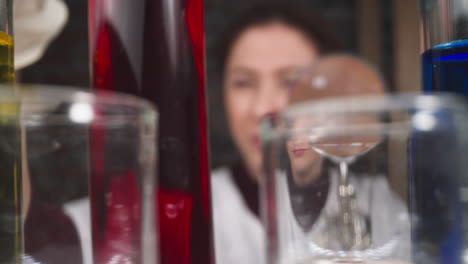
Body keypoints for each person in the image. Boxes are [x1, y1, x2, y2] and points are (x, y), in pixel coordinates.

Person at [210, 2, 409, 264]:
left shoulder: (380, 206)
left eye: (292, 81)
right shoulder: (202, 208)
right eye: (243, 83)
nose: (263, 108)